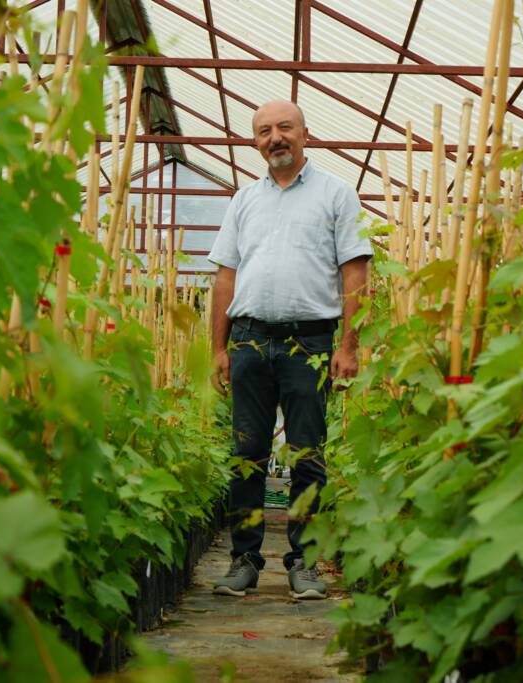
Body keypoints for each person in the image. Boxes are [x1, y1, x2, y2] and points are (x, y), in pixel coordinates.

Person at [206, 100, 372, 600]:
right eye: (263, 131)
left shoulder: (337, 194)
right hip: (250, 340)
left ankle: (305, 562)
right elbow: (225, 278)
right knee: (246, 455)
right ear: (254, 142)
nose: (274, 137)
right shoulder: (244, 201)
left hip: (311, 341)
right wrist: (219, 347)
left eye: (284, 128)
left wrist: (349, 344)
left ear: (305, 133)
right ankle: (244, 560)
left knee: (307, 455)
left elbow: (356, 273)